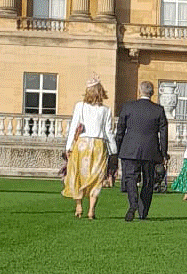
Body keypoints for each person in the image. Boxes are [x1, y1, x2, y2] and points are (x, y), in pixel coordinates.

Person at [63, 75, 118, 219]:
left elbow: (73, 127)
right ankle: (91, 209)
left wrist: (68, 147)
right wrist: (114, 150)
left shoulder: (79, 106)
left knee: (78, 175)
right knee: (96, 178)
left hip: (82, 144)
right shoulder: (106, 110)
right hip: (99, 145)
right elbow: (108, 132)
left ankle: (79, 205)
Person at [115, 80, 168, 222]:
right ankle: (143, 212)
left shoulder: (128, 107)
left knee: (130, 178)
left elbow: (120, 130)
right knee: (148, 181)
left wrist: (118, 147)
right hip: (150, 150)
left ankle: (133, 203)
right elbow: (163, 134)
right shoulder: (158, 110)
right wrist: (164, 153)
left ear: (139, 91)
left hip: (130, 149)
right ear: (152, 93)